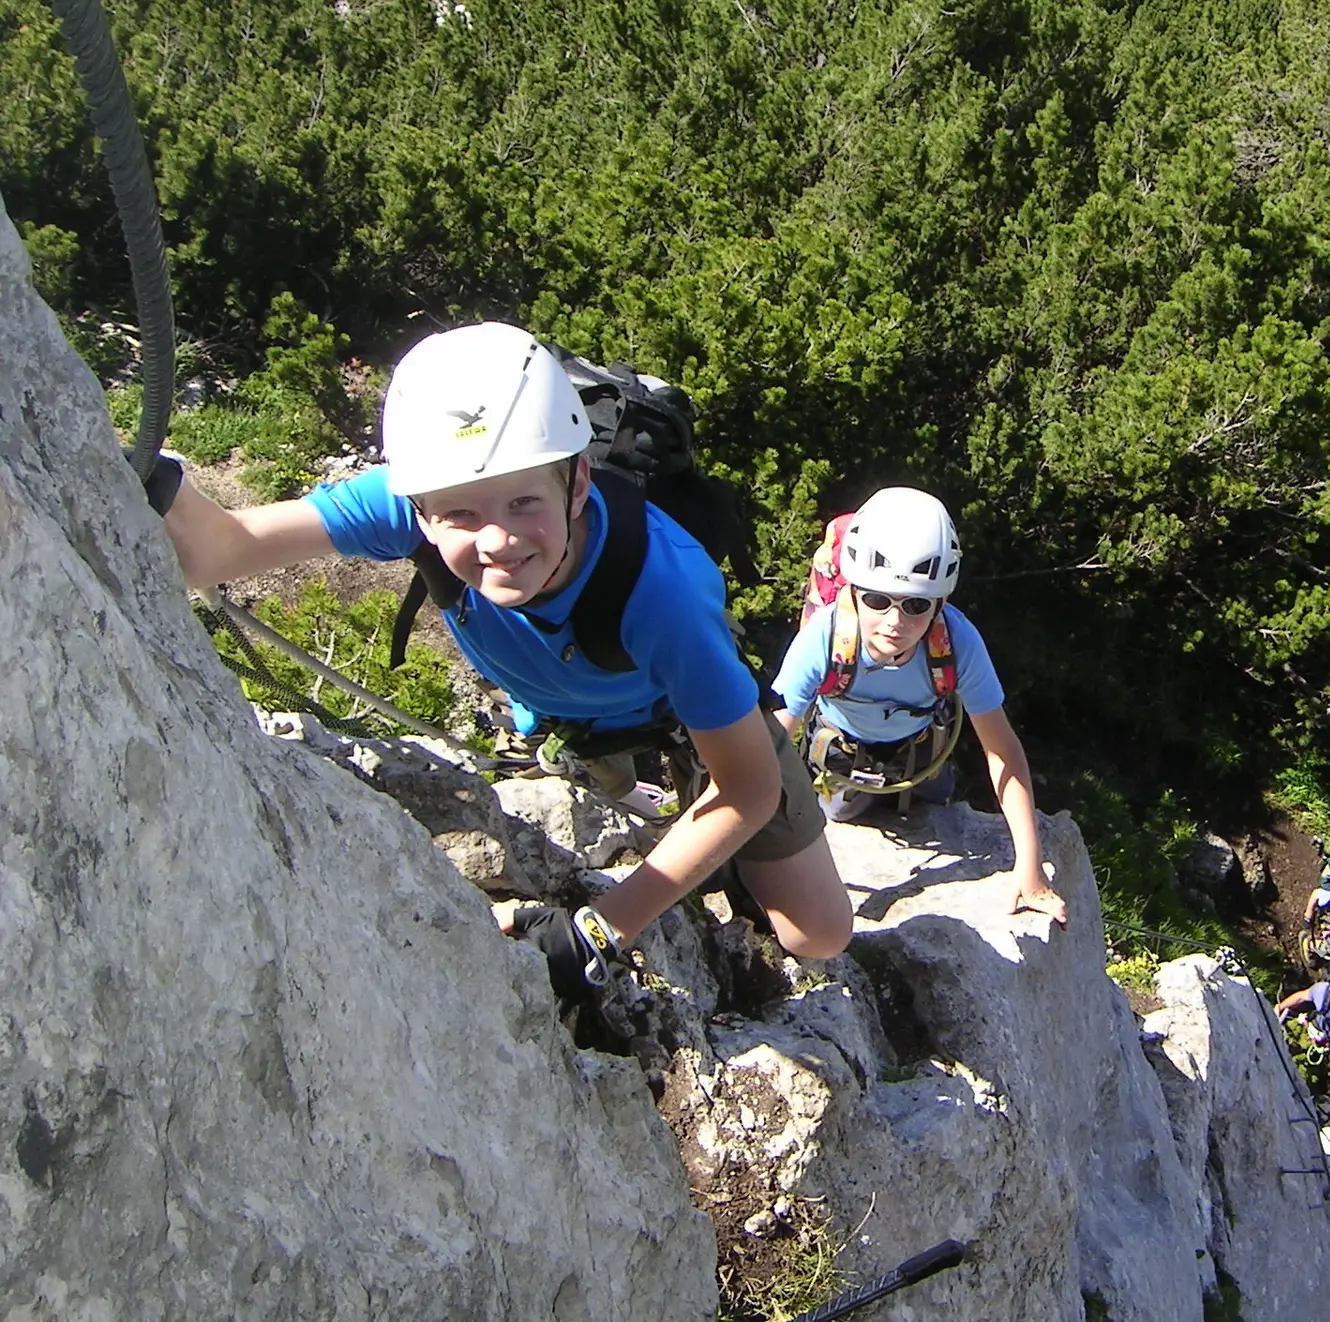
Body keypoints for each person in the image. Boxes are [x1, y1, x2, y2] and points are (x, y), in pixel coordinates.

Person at [159, 321, 854, 984]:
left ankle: (719, 853)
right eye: (461, 514)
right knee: (645, 807)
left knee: (817, 934)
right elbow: (221, 549)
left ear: (578, 484)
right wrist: (152, 477)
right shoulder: (412, 501)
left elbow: (748, 787)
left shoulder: (662, 593)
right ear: (419, 511)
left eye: (524, 502)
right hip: (569, 716)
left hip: (683, 716)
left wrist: (599, 929)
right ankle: (618, 786)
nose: (496, 540)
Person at [771, 487, 1068, 927]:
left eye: (915, 605)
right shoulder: (824, 639)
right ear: (853, 591)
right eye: (877, 600)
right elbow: (771, 743)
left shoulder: (958, 643)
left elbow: (1002, 750)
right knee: (842, 813)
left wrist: (1030, 866)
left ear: (939, 603)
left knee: (929, 805)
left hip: (922, 760)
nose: (895, 622)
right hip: (844, 765)